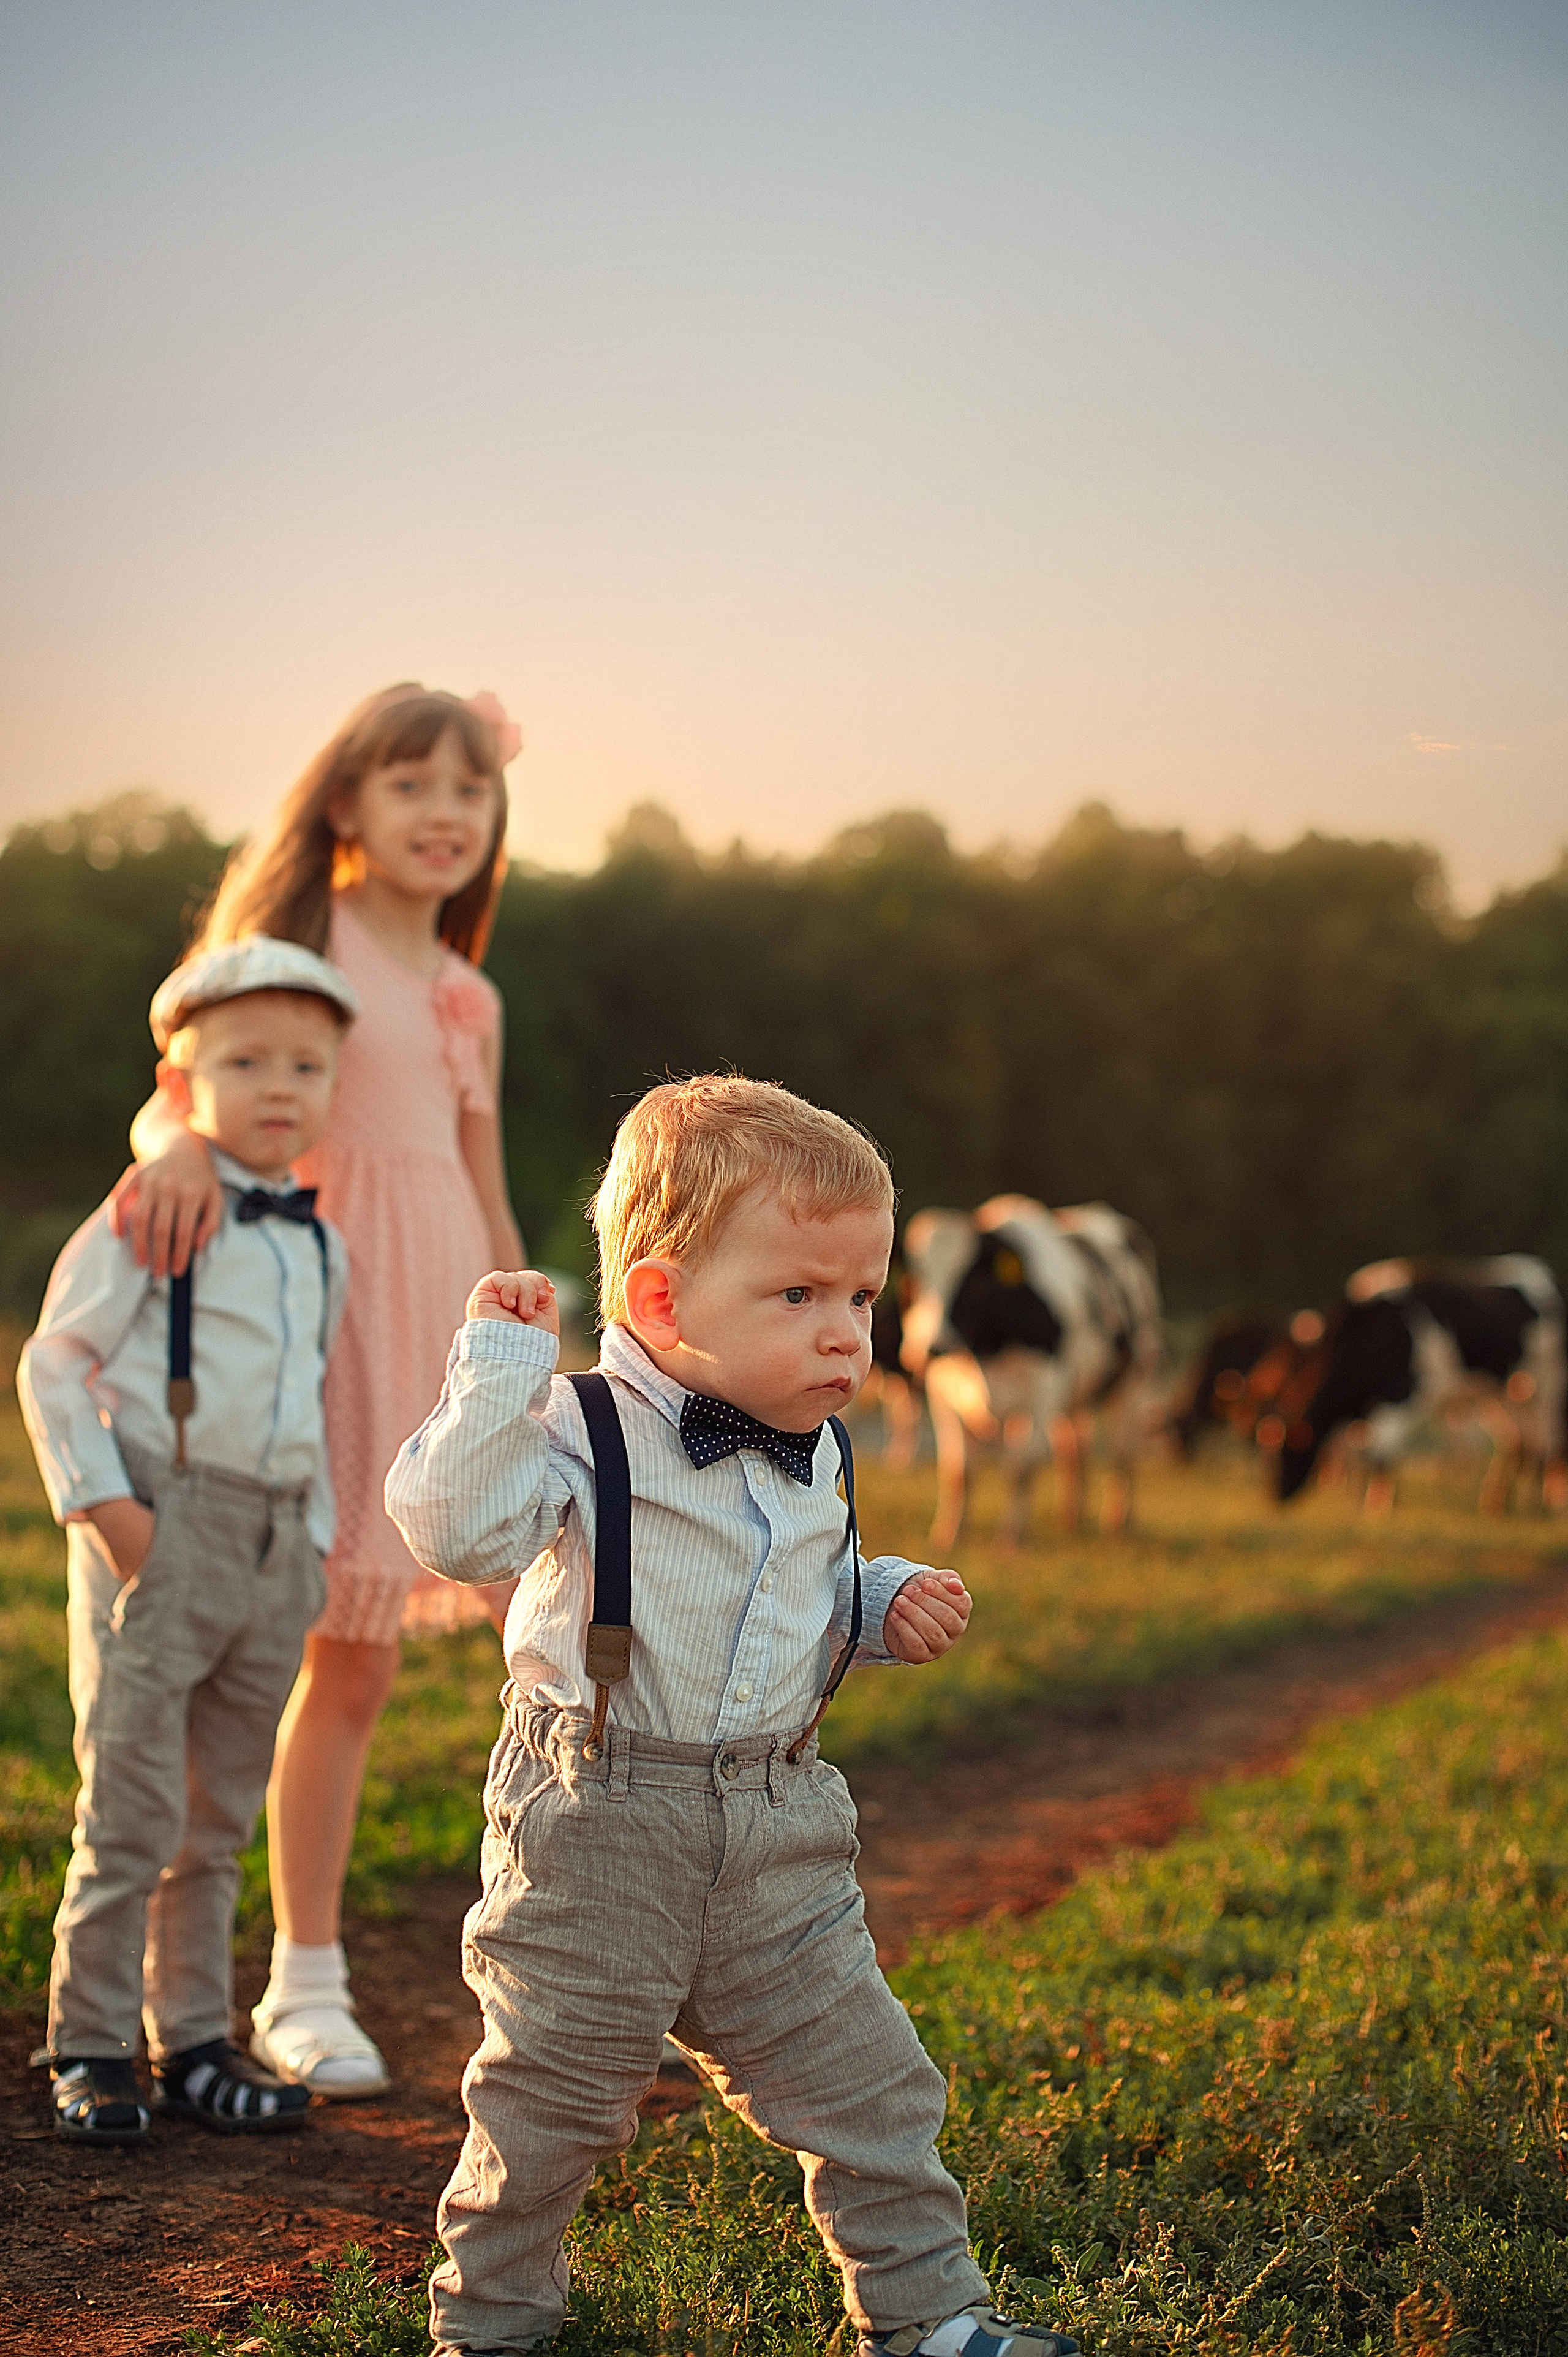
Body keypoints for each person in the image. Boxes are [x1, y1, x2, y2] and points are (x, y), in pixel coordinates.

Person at [385, 1075, 1080, 2357]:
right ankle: (490, 2324)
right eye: (800, 1296)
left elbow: (793, 1586)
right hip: (598, 1822)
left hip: (779, 1825)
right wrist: (497, 1371)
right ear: (660, 1302)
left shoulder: (819, 1445)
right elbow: (455, 1531)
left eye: (862, 1298)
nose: (845, 1336)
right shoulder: (578, 1428)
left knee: (872, 2083)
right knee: (551, 2102)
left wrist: (877, 1599)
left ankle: (927, 2317)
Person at [108, 684, 527, 2099]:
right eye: (411, 785)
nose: (444, 815)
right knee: (340, 1655)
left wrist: (523, 1339)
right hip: (327, 1316)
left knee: (535, 1643)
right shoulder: (292, 947)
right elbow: (182, 1090)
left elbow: (479, 1177)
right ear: (345, 803)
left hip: (446, 1321)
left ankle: (575, 1963)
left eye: (468, 790)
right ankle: (302, 1978)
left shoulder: (467, 993)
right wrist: (171, 1145)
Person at [18, 939, 358, 2143]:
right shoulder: (154, 1206)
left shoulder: (321, 1243)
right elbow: (53, 1362)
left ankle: (198, 2037)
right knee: (132, 1807)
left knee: (219, 1817)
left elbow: (307, 1398)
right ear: (181, 1078)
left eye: (306, 1066)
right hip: (160, 1519)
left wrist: (313, 1543)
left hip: (275, 1540)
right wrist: (113, 1515)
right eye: (246, 1062)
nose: (279, 1087)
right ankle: (91, 2041)